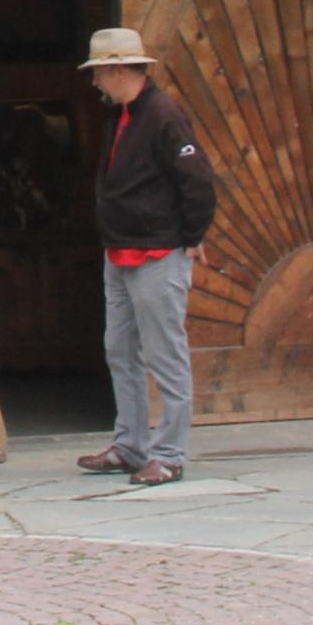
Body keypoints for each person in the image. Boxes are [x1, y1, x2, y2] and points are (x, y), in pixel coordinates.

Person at [77, 26, 216, 486]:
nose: (95, 82)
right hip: (119, 250)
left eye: (99, 73)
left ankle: (170, 453)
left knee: (164, 353)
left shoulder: (163, 114)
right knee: (120, 350)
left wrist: (192, 236)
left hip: (156, 251)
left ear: (119, 70)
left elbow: (197, 180)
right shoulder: (121, 114)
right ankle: (130, 446)